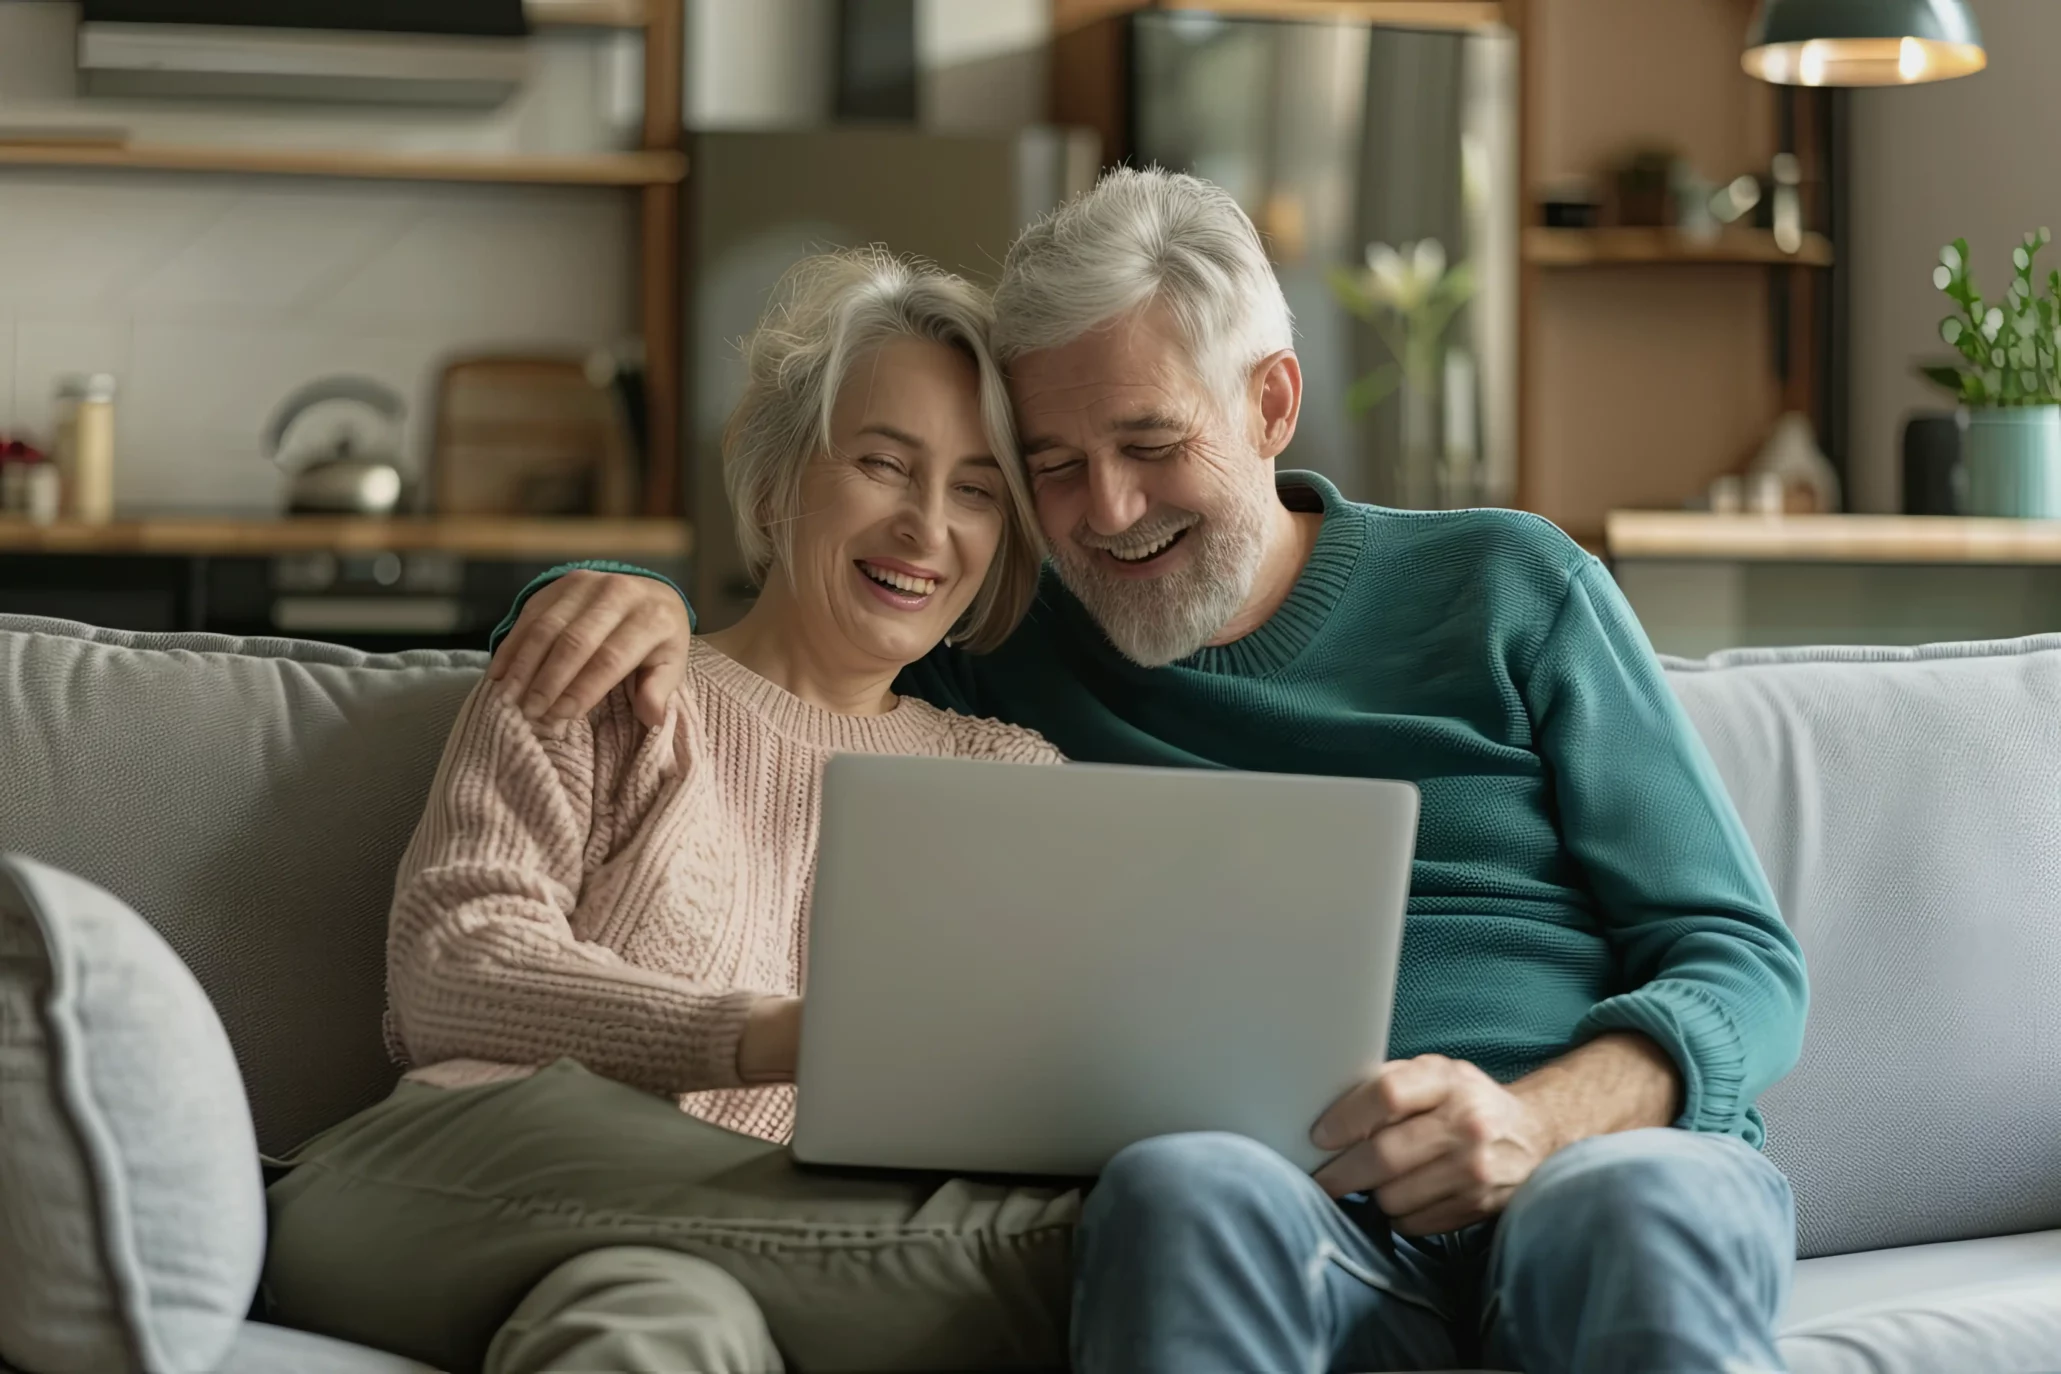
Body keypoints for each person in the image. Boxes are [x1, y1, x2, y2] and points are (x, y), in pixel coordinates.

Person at [499, 168, 1811, 1374]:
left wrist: (1536, 1120)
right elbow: (809, 652)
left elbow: (1742, 963)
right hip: (1309, 1226)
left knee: (1628, 1207)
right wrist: (617, 597)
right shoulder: (1009, 655)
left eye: (1148, 443)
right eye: (1054, 468)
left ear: (1271, 402)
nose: (1106, 514)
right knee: (1178, 1185)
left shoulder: (1508, 586)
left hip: (1595, 1166)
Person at [262, 248, 1083, 1374]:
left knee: (655, 1328)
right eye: (885, 466)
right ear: (773, 485)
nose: (926, 526)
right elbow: (451, 970)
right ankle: (1067, 1265)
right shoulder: (607, 672)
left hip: (694, 1258)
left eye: (978, 491)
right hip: (466, 1176)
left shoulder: (1013, 780)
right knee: (1091, 1243)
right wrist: (772, 1037)